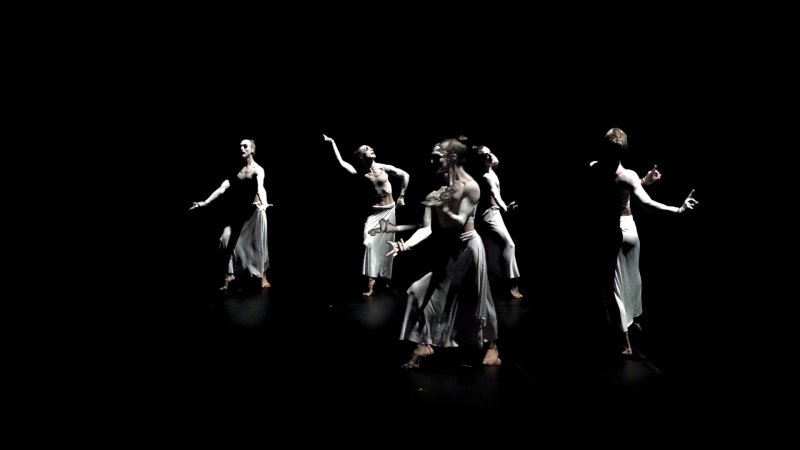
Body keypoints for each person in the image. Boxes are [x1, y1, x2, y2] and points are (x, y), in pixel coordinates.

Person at [387, 137, 500, 368]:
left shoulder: (470, 186)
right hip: (451, 251)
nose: (431, 161)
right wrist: (405, 245)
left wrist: (440, 203)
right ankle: (426, 344)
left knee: (479, 299)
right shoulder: (437, 192)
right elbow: (426, 229)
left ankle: (492, 347)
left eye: (436, 156)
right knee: (416, 291)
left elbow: (458, 221)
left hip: (469, 247)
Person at [591, 128, 697, 355]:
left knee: (613, 288)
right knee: (632, 278)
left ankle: (624, 340)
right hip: (630, 231)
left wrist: (643, 181)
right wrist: (677, 210)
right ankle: (635, 320)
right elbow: (645, 203)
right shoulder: (627, 175)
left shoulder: (594, 169)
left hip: (611, 232)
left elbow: (615, 189)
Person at [323, 134, 410, 296]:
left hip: (390, 210)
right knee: (369, 244)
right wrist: (333, 142)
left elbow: (405, 175)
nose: (371, 149)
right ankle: (370, 282)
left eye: (370, 148)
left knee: (387, 246)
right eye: (367, 149)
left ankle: (381, 281)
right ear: (362, 155)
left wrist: (402, 196)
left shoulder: (383, 167)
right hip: (375, 213)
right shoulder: (360, 171)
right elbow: (341, 163)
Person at [190, 138, 272, 290]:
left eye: (245, 146)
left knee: (258, 244)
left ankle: (263, 277)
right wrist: (206, 202)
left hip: (256, 212)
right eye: (240, 146)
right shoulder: (237, 170)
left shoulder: (258, 169)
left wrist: (265, 204)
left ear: (252, 150)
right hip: (241, 212)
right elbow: (222, 188)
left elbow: (261, 188)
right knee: (225, 237)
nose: (241, 148)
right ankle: (230, 274)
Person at [474, 145, 523, 299]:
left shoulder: (491, 170)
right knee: (509, 244)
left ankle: (496, 280)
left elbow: (496, 160)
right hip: (489, 215)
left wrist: (505, 207)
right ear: (480, 160)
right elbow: (495, 194)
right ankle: (511, 283)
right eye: (484, 155)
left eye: (490, 153)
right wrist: (505, 207)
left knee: (493, 250)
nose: (489, 156)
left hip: (495, 213)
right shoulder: (486, 176)